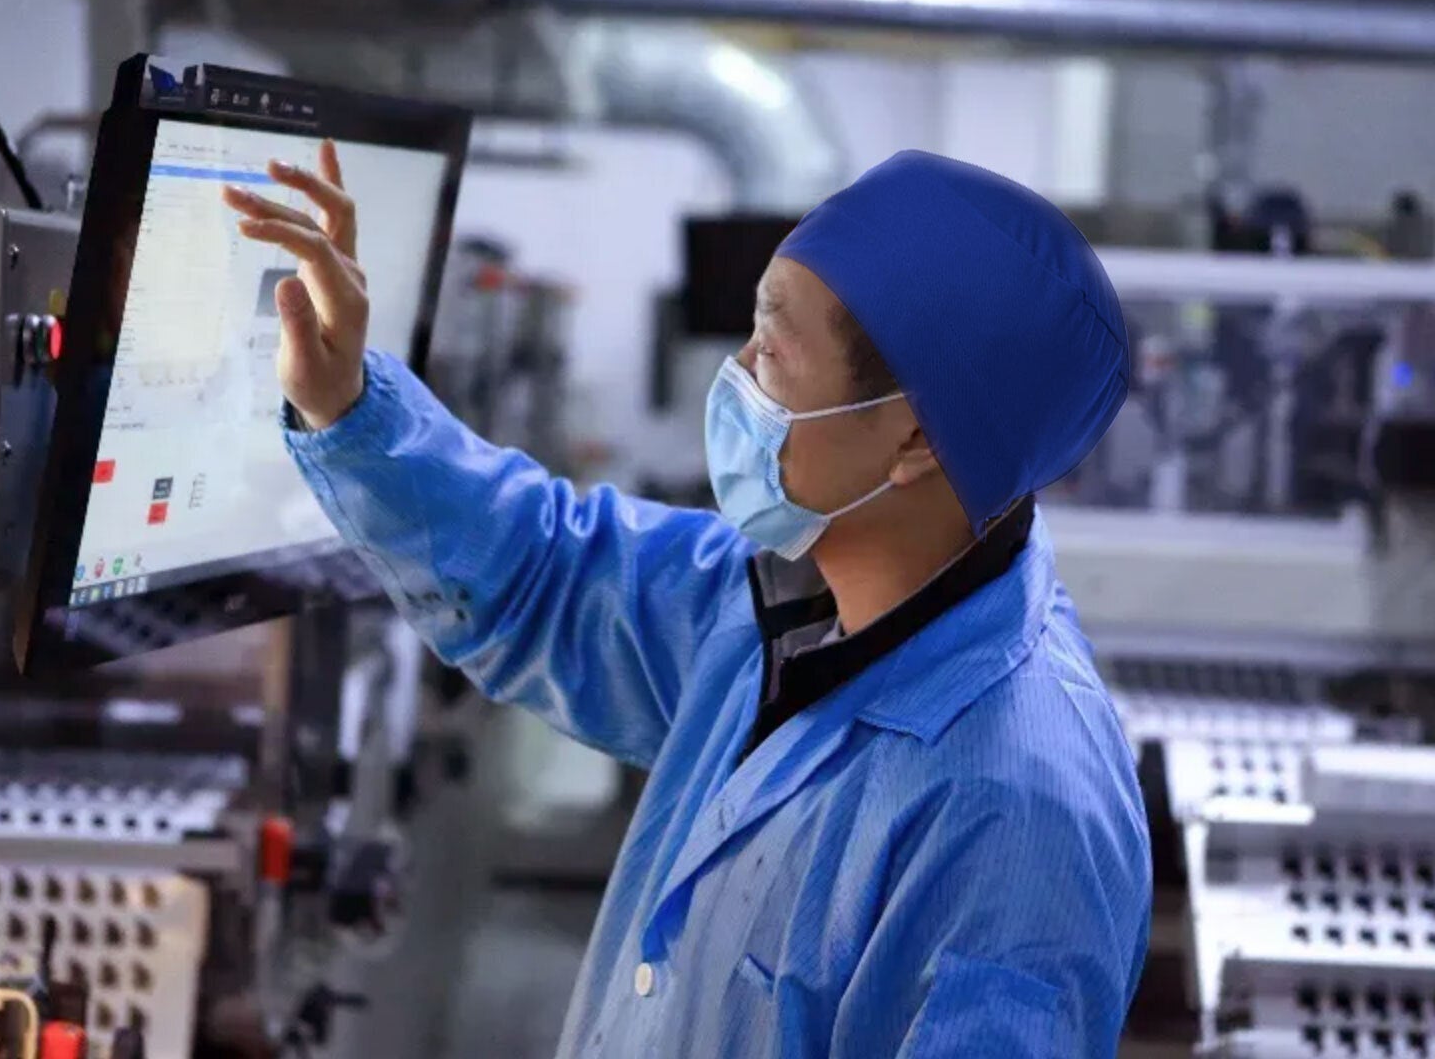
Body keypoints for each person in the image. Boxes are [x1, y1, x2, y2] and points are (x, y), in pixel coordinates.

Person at [224, 144, 1151, 1058]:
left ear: (913, 441)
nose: (736, 374)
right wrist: (349, 406)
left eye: (772, 352)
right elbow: (547, 574)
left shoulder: (1017, 821)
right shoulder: (773, 605)